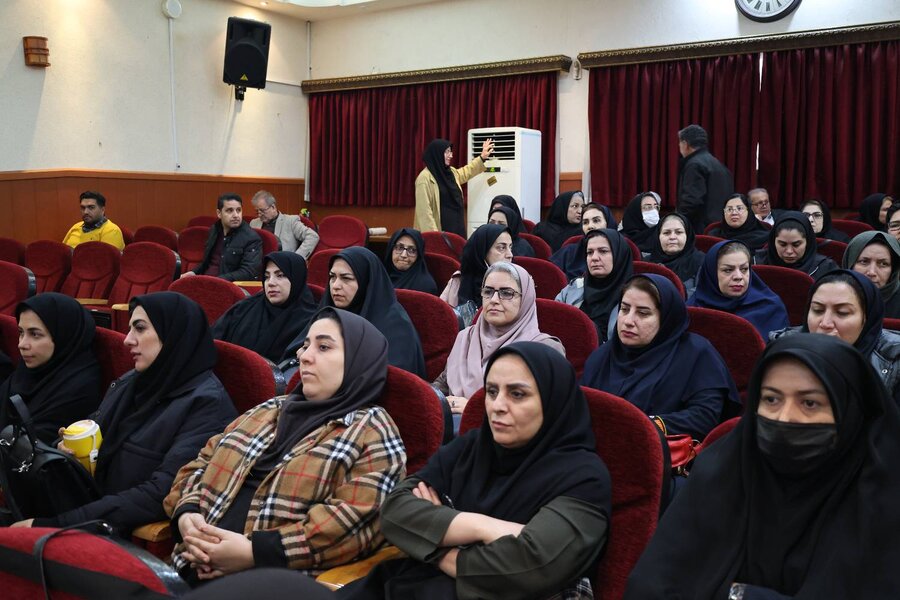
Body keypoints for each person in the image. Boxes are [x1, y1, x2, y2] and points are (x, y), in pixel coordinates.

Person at [624, 333, 900, 599]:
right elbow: (653, 583)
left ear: (849, 409)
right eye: (771, 399)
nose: (785, 418)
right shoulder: (722, 471)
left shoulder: (880, 498)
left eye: (809, 403)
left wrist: (736, 594)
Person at [341, 342, 611, 600]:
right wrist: (485, 526)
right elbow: (395, 512)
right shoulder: (473, 446)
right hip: (412, 584)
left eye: (517, 394)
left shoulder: (584, 478)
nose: (497, 406)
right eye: (492, 391)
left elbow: (528, 567)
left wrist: (434, 545)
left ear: (553, 400)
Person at [165, 308, 406, 583]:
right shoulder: (271, 408)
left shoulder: (372, 429)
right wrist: (187, 515)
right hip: (187, 565)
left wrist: (254, 552)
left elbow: (354, 523)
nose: (305, 356)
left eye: (323, 347)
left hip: (273, 581)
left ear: (358, 360)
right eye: (305, 345)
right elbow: (199, 464)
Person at [12, 292, 237, 533]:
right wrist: (63, 447)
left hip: (115, 533)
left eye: (140, 328)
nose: (127, 340)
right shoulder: (134, 380)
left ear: (173, 333)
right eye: (130, 329)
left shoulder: (206, 405)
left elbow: (159, 494)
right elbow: (94, 425)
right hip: (87, 507)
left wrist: (56, 526)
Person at [582, 275, 738, 440]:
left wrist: (643, 425)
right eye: (625, 309)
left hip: (661, 448)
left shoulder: (697, 354)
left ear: (665, 319)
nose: (628, 321)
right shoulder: (604, 355)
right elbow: (581, 406)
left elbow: (704, 417)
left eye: (643, 313)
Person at [432, 262, 565, 422]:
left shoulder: (546, 349)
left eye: (506, 293)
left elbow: (547, 412)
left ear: (525, 299)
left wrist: (475, 410)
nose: (494, 300)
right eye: (488, 291)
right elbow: (441, 386)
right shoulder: (466, 337)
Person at [284, 247, 426, 379]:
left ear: (366, 282)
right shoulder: (329, 313)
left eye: (346, 278)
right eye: (332, 277)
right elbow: (294, 352)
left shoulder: (395, 326)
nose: (335, 286)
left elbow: (390, 380)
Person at [770, 269, 900, 399]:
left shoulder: (895, 358)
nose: (825, 323)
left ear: (867, 318)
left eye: (842, 312)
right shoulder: (782, 347)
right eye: (818, 310)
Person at [0, 293, 102, 445]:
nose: (22, 344)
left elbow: (28, 447)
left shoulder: (79, 388)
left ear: (62, 335)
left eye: (35, 334)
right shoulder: (27, 371)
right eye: (21, 332)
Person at [212, 252, 319, 362]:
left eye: (280, 275)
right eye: (266, 277)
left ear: (296, 278)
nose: (270, 283)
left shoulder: (313, 321)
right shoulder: (244, 308)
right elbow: (211, 343)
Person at [688, 240, 789, 339]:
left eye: (744, 269)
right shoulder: (693, 310)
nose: (738, 276)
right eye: (728, 270)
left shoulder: (770, 307)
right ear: (711, 273)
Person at [556, 229, 634, 343]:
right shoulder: (574, 287)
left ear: (619, 255)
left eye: (603, 251)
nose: (594, 258)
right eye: (589, 252)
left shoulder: (635, 296)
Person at [414, 138, 494, 236]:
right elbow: (424, 214)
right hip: (439, 234)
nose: (451, 155)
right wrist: (435, 238)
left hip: (457, 230)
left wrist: (482, 158)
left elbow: (466, 172)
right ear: (437, 154)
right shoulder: (424, 179)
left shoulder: (450, 172)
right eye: (447, 152)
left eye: (450, 152)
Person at [182, 193, 263, 282]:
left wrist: (217, 281)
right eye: (230, 211)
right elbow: (208, 262)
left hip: (226, 285)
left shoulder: (251, 238)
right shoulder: (215, 230)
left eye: (238, 210)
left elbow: (249, 272)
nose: (236, 215)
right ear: (219, 213)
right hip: (205, 281)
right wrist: (193, 272)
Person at [675, 124, 734, 233]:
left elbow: (691, 201)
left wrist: (676, 222)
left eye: (680, 143)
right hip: (721, 228)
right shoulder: (720, 166)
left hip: (701, 230)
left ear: (685, 144)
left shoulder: (694, 165)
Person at [440, 224, 513, 310]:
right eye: (501, 248)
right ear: (482, 250)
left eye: (510, 247)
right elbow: (442, 313)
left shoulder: (516, 283)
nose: (510, 254)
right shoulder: (458, 280)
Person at [754, 211, 838, 280]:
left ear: (807, 242)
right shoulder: (756, 263)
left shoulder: (825, 268)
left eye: (796, 245)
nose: (789, 251)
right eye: (782, 244)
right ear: (773, 242)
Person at [549, 202, 617, 280]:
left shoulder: (619, 251)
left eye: (596, 221)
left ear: (608, 223)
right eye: (585, 222)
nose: (590, 226)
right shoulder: (569, 252)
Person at [842, 231, 900, 318]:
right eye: (864, 262)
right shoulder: (830, 296)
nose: (872, 272)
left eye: (883, 264)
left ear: (893, 269)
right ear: (850, 264)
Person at [249, 190, 320, 260]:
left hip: (283, 262)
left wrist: (297, 258)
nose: (259, 215)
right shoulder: (254, 223)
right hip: (259, 262)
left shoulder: (290, 221)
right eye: (257, 211)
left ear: (273, 207)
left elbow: (312, 236)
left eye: (262, 211)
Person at [647, 212, 704, 297]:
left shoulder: (700, 261)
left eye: (678, 232)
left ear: (687, 235)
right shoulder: (647, 262)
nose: (672, 237)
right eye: (666, 233)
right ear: (658, 236)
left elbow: (701, 293)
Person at [61, 191, 125, 250]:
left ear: (102, 209)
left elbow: (105, 257)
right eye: (83, 208)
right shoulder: (76, 227)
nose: (85, 212)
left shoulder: (112, 231)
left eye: (91, 207)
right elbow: (62, 251)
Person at [383, 227, 438, 295]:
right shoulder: (379, 276)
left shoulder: (426, 286)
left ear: (419, 255)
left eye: (411, 250)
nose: (404, 255)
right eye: (399, 248)